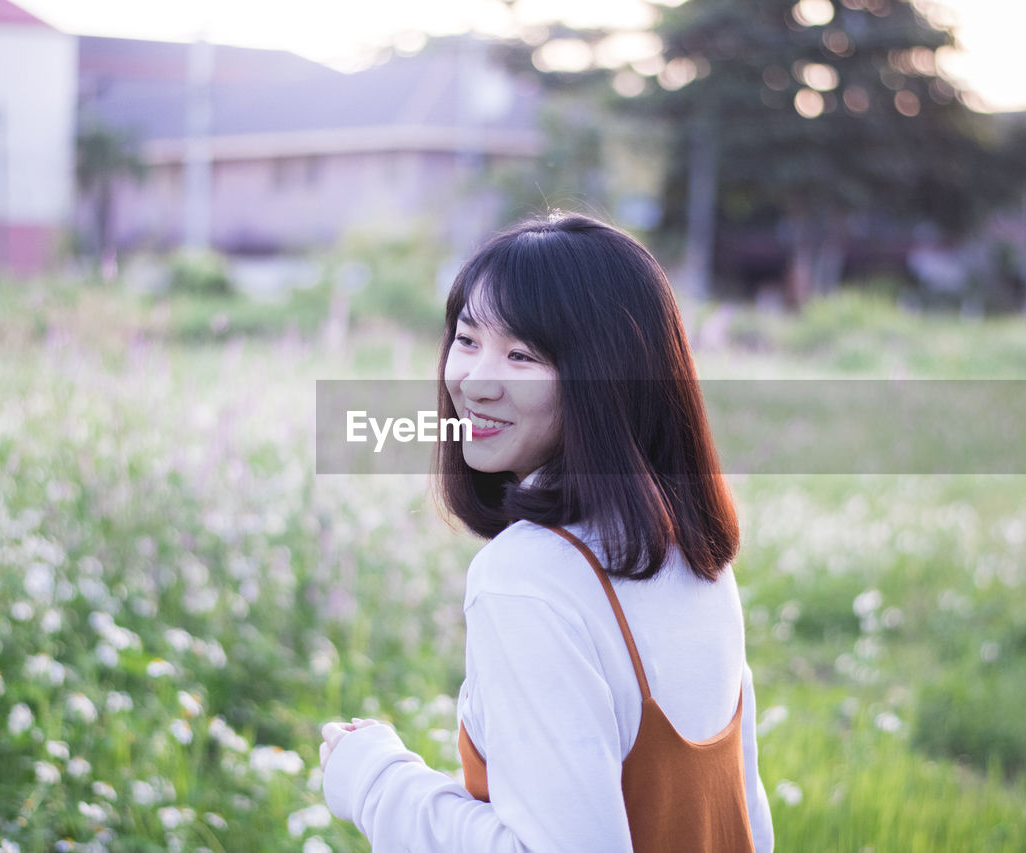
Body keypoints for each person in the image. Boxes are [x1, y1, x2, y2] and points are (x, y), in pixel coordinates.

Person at [319, 213, 774, 852]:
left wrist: (375, 780)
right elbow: (749, 825)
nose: (474, 382)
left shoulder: (527, 580)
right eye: (468, 339)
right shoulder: (692, 554)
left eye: (523, 355)